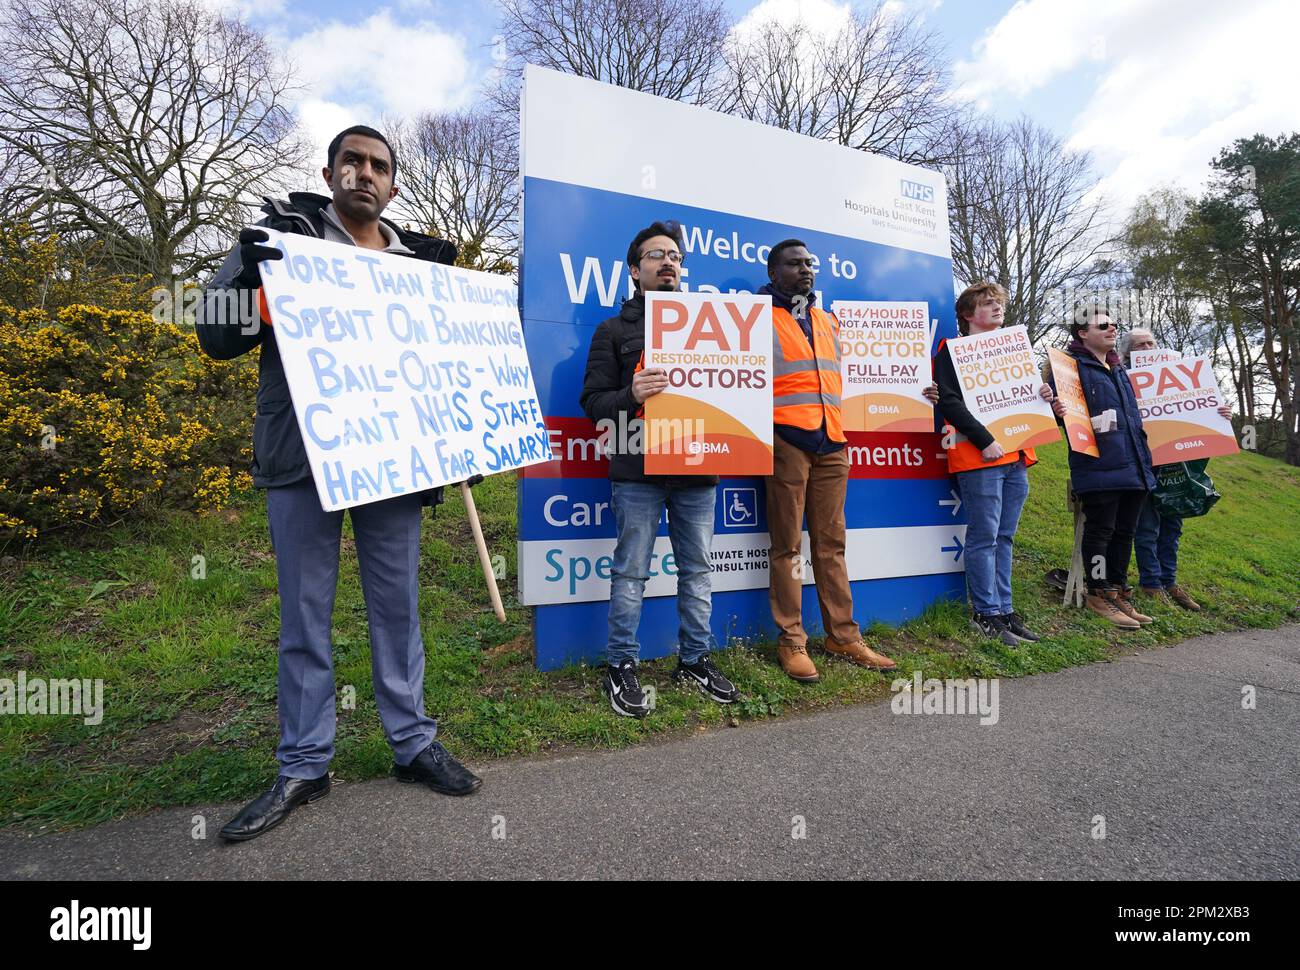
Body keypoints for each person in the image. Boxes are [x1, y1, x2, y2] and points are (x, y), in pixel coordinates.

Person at [195, 125, 481, 843]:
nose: (364, 173)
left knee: (398, 607)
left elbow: (454, 365)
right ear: (329, 174)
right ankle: (302, 764)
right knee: (304, 613)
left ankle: (413, 744)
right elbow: (216, 335)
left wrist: (464, 437)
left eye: (378, 166)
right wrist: (249, 281)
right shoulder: (280, 237)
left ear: (393, 184)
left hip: (396, 459)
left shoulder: (424, 262)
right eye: (351, 161)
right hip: (303, 458)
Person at [579, 220, 739, 717]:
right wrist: (632, 394)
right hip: (637, 470)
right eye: (656, 255)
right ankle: (621, 665)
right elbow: (591, 402)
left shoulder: (714, 326)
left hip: (697, 469)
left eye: (675, 255)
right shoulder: (612, 331)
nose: (668, 261)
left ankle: (694, 659)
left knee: (698, 571)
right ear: (634, 269)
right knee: (630, 572)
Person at [760, 240, 896, 682]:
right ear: (773, 271)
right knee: (786, 546)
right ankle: (792, 641)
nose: (805, 270)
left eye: (809, 263)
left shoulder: (827, 319)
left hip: (833, 444)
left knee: (831, 544)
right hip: (786, 442)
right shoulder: (755, 320)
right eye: (794, 264)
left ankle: (842, 635)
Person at [933, 282, 1056, 646]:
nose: (997, 308)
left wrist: (1043, 394)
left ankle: (1004, 610)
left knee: (1005, 536)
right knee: (985, 536)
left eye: (999, 303)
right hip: (980, 457)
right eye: (987, 304)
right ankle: (984, 613)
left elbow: (1023, 400)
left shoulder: (1014, 351)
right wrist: (985, 441)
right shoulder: (951, 351)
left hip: (1017, 456)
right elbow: (949, 402)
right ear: (968, 314)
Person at [1047, 306, 1156, 629]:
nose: (1112, 330)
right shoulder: (1068, 368)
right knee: (1101, 531)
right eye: (1103, 325)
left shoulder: (1119, 369)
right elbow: (1058, 414)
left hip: (1134, 464)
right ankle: (1097, 592)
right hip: (1098, 465)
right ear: (1082, 333)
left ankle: (1118, 591)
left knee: (1125, 532)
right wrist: (1056, 409)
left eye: (1114, 325)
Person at [1121, 328, 1231, 610]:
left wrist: (1220, 414)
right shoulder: (1122, 379)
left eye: (1151, 342)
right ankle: (1151, 584)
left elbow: (1199, 409)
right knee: (1147, 528)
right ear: (1129, 353)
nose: (1147, 347)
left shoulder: (1181, 378)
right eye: (1140, 345)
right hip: (1143, 464)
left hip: (1176, 465)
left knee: (1172, 525)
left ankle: (1170, 582)